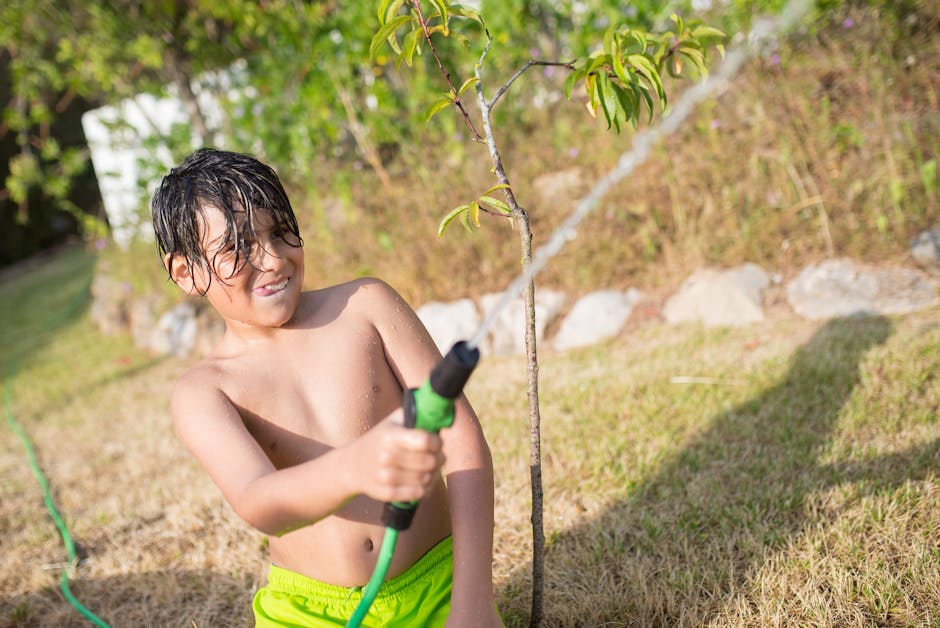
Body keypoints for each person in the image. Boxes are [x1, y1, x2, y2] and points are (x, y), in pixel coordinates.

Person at [151, 148, 501, 627]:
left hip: (435, 585)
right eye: (237, 248)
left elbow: (463, 442)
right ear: (186, 272)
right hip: (308, 612)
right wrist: (357, 465)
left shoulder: (365, 307)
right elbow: (259, 502)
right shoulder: (206, 392)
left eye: (279, 232)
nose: (272, 259)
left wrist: (474, 602)